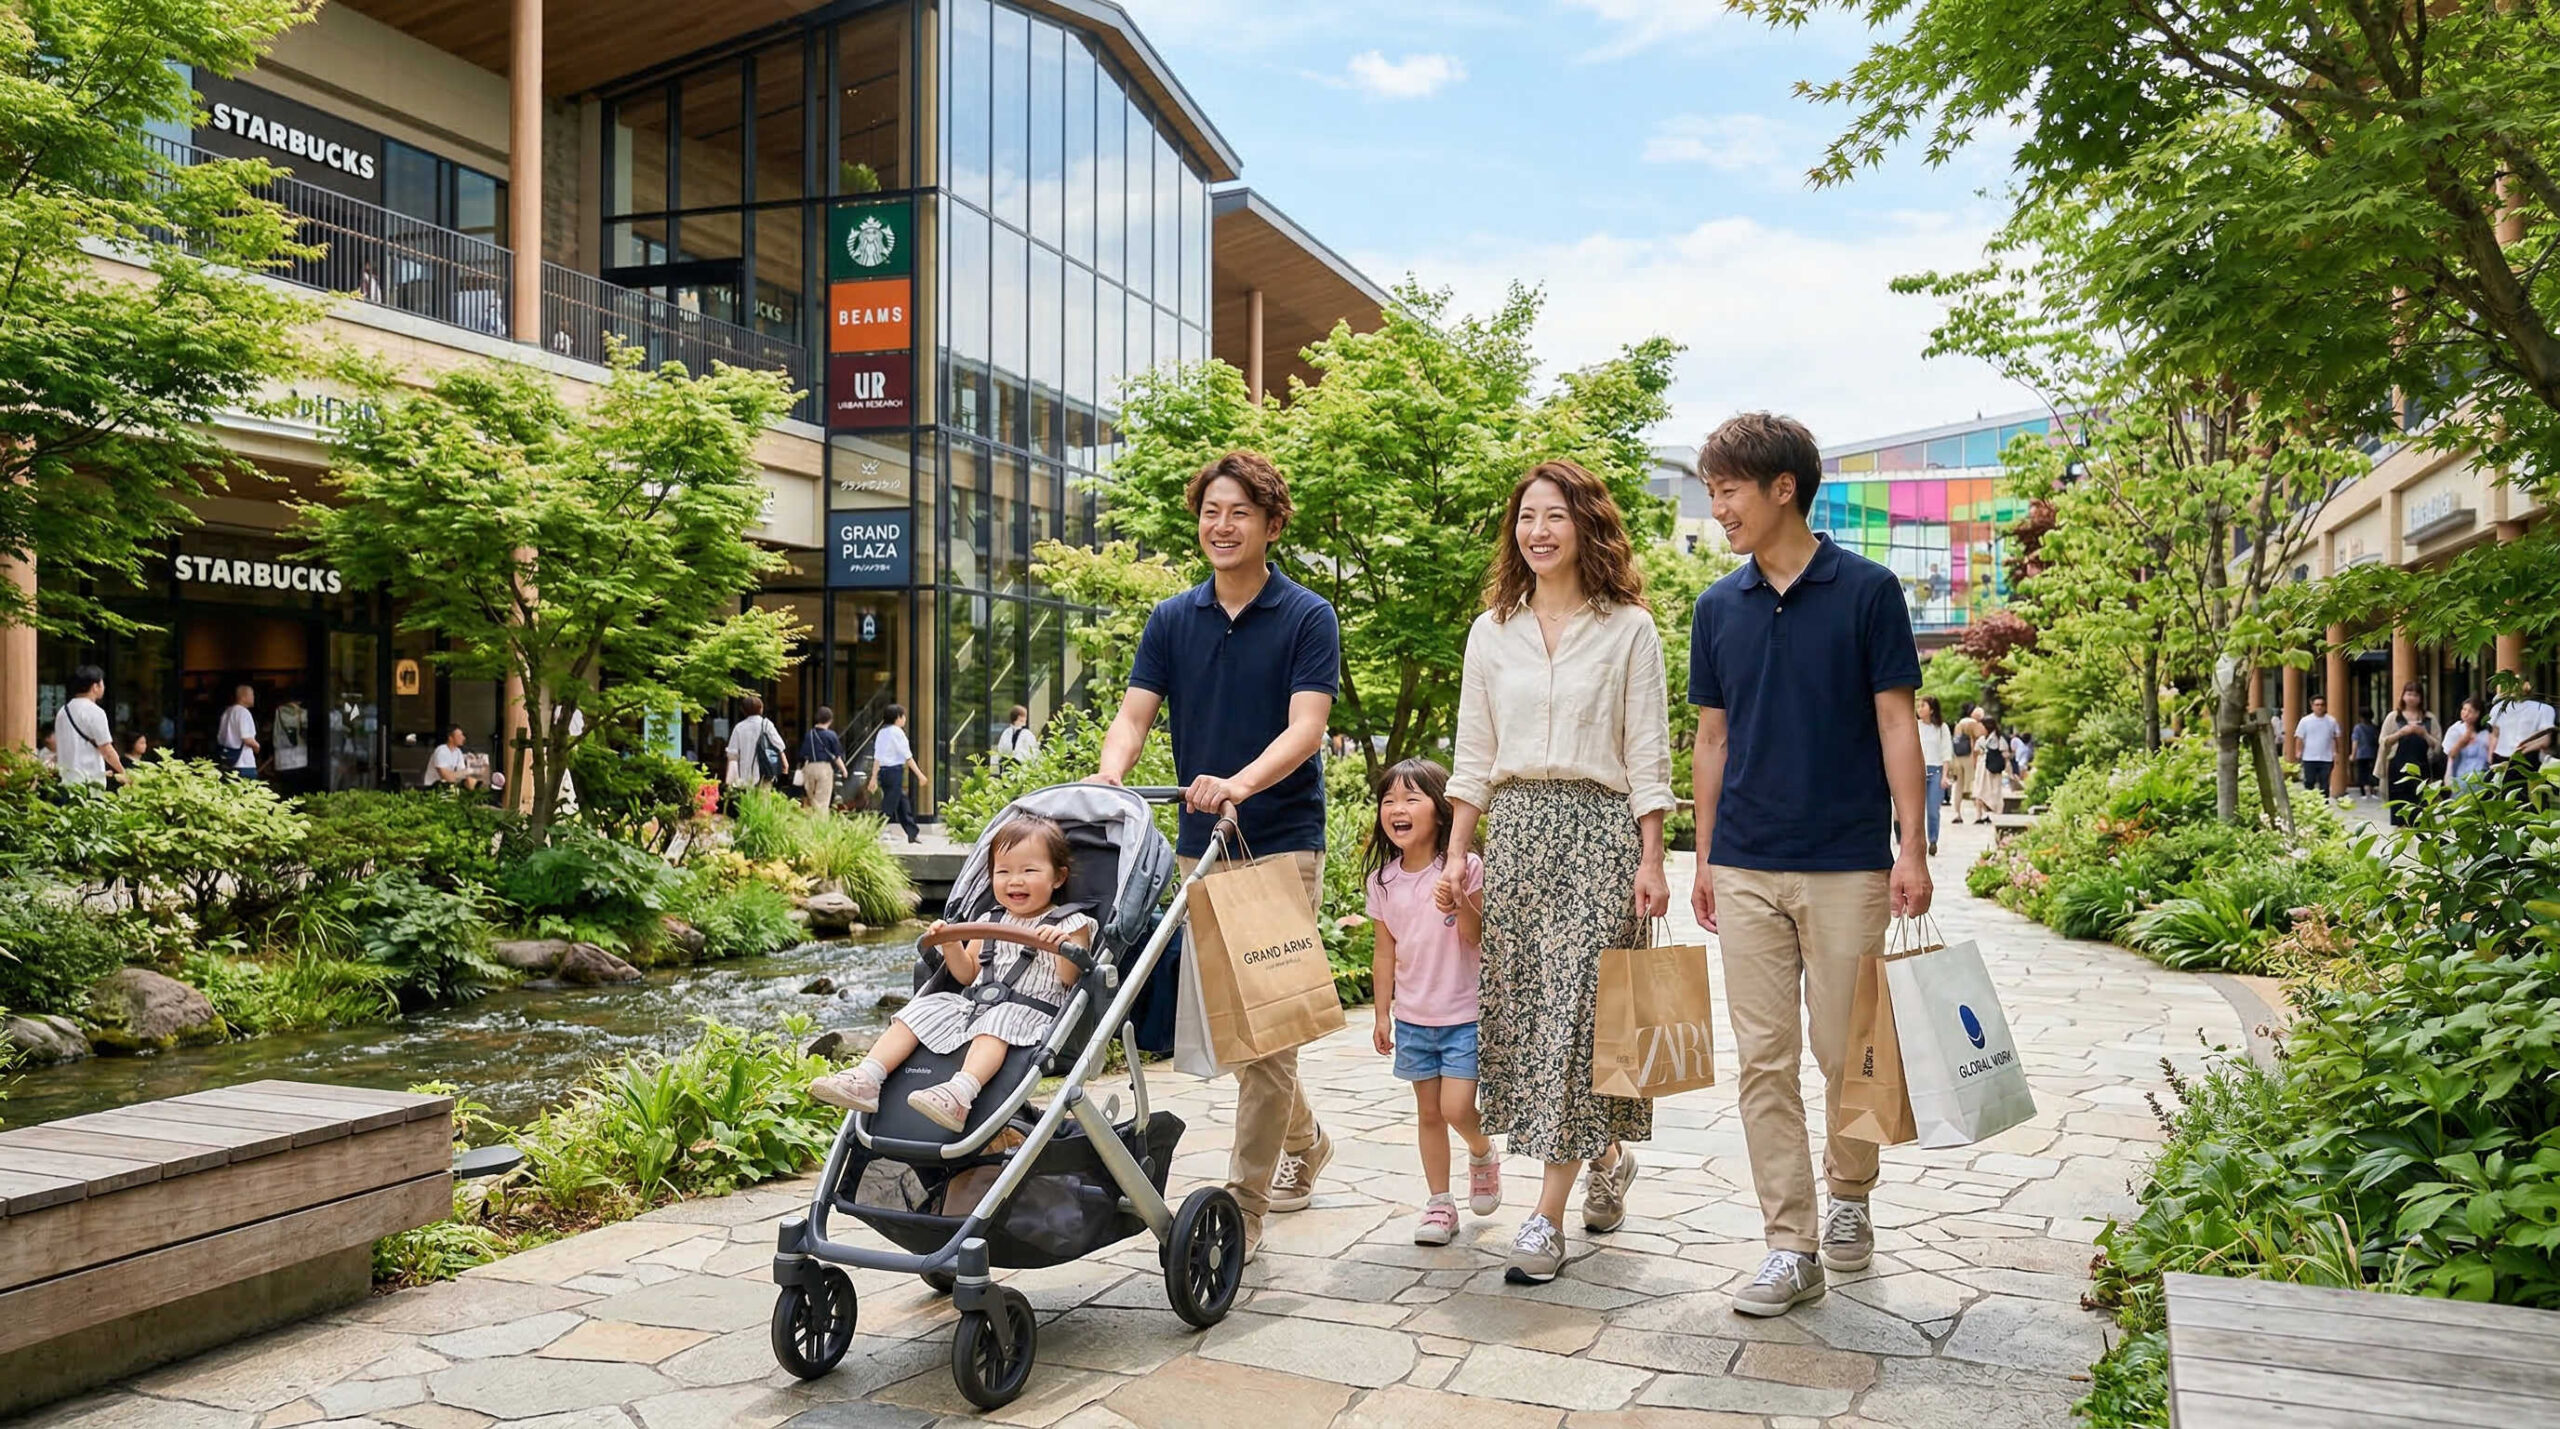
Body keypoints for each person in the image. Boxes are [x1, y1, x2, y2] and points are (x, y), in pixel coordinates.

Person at [1688, 413, 1930, 1319]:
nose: (1718, 508)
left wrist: (1912, 844)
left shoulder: (1868, 591)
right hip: (1747, 863)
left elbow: (1896, 722)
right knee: (1763, 1060)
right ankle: (1790, 1243)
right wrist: (1706, 856)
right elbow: (1710, 738)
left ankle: (1852, 1192)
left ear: (1782, 487)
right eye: (1712, 492)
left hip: (1845, 862)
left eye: (1728, 491)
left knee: (1846, 1052)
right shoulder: (1717, 606)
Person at [1095, 448, 1339, 1264]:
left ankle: (1244, 1205)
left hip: (1279, 846)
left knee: (1267, 1038)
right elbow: (1134, 715)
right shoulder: (1173, 618)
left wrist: (1238, 781)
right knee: (1243, 1040)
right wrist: (1109, 778)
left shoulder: (1307, 616)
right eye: (1210, 511)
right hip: (1202, 847)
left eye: (1239, 512)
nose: (1221, 525)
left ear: (1271, 524)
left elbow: (1306, 729)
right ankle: (1306, 1138)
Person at [1445, 458, 1674, 1286]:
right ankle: (1605, 1153)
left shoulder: (1628, 628)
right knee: (1536, 1019)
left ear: (1586, 525)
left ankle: (1544, 1217)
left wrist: (1652, 856)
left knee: (1579, 1013)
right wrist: (1455, 851)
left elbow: (1649, 749)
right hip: (1515, 838)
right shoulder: (1490, 630)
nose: (1537, 531)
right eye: (1526, 516)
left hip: (1600, 833)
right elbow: (1472, 753)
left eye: (1555, 515)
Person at [809, 816, 1092, 1130]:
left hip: (1030, 1012)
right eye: (1003, 872)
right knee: (922, 1008)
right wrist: (952, 944)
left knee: (997, 1021)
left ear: (1058, 877)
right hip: (977, 1003)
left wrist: (1063, 947)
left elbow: (1071, 979)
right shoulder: (989, 919)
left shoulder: (1071, 923)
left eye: (1029, 871)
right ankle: (867, 1077)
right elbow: (968, 975)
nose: (1015, 881)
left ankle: (960, 1093)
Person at [1365, 758, 1501, 1246]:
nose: (1397, 808)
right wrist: (1382, 1013)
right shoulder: (1382, 881)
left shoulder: (1462, 869)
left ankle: (1481, 1151)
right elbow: (1385, 952)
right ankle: (1440, 1204)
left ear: (1442, 812)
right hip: (1414, 1018)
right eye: (1388, 800)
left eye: (1411, 798)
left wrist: (1458, 897)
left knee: (1457, 1107)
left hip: (1463, 1014)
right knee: (1427, 1114)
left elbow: (1475, 936)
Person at [2377, 683, 2440, 826]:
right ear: (2403, 696)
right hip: (2398, 769)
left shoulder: (2429, 718)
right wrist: (2400, 733)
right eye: (2409, 694)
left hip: (2422, 769)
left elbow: (2437, 746)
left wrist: (2424, 734)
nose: (2412, 698)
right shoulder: (2393, 717)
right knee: (2400, 811)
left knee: (2421, 810)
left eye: (2415, 695)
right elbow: (2383, 741)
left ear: (2421, 698)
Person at [53, 666, 124, 788]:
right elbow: (106, 749)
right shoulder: (95, 712)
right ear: (95, 687)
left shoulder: (63, 711)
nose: (104, 687)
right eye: (102, 683)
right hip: (89, 783)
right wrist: (123, 772)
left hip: (65, 781)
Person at [871, 704, 924, 842]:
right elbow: (908, 756)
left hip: (884, 772)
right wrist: (920, 775)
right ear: (898, 718)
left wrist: (873, 777)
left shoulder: (881, 732)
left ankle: (912, 833)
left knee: (902, 802)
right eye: (903, 716)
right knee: (890, 803)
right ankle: (877, 829)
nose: (905, 719)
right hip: (894, 771)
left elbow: (877, 756)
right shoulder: (897, 732)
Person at [725, 695, 788, 801]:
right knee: (763, 802)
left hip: (744, 774)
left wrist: (730, 776)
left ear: (744, 711)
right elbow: (779, 745)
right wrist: (785, 764)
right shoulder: (766, 724)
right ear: (761, 709)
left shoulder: (739, 727)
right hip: (765, 770)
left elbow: (732, 754)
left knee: (746, 803)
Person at [1914, 696, 1952, 856]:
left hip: (1936, 771)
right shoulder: (1915, 726)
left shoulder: (1941, 728)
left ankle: (1933, 840)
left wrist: (1945, 775)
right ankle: (1916, 843)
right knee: (1915, 811)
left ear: (1932, 709)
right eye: (1919, 706)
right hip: (1917, 771)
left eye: (1923, 705)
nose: (1920, 708)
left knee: (1933, 810)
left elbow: (1946, 751)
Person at [2489, 687, 2556, 775]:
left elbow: (2495, 736)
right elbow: (2545, 740)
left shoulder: (2498, 708)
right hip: (2523, 759)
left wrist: (2490, 757)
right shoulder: (2544, 708)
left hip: (2516, 759)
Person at [800, 707, 847, 815]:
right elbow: (836, 756)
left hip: (809, 768)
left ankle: (808, 826)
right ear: (830, 720)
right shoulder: (831, 735)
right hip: (824, 768)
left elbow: (803, 754)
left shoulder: (809, 735)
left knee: (811, 801)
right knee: (822, 802)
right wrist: (843, 770)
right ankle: (819, 828)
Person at [2293, 695, 2341, 796]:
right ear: (2312, 706)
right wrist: (2298, 752)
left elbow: (2336, 738)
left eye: (2322, 705)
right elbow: (2299, 737)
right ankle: (2309, 802)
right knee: (2309, 781)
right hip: (2309, 757)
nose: (2319, 707)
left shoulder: (2331, 721)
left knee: (2324, 783)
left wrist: (2336, 753)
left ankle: (2324, 803)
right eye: (2317, 705)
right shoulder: (2305, 721)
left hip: (2326, 758)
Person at [2445, 697, 2495, 790]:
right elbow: (2450, 754)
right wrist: (2462, 741)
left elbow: (2490, 757)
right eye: (2464, 709)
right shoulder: (2455, 729)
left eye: (2470, 711)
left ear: (2478, 714)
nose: (2465, 713)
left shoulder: (2486, 732)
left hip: (2481, 775)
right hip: (2460, 774)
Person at [217, 685, 261, 779]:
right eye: (252, 695)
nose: (253, 697)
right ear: (243, 697)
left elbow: (220, 738)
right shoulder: (243, 712)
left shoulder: (227, 712)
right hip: (244, 763)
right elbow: (247, 739)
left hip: (228, 761)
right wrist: (257, 747)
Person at [1949, 707, 1984, 822]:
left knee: (1958, 785)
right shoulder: (1973, 724)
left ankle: (1957, 813)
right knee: (1974, 784)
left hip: (1958, 757)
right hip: (1969, 757)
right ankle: (1979, 814)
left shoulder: (1959, 724)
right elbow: (1979, 739)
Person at [423, 725, 484, 790]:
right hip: (434, 787)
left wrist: (474, 766)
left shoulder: (458, 752)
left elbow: (462, 773)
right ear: (450, 738)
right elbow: (447, 777)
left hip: (447, 786)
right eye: (459, 736)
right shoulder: (441, 751)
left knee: (471, 779)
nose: (463, 738)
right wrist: (466, 772)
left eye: (462, 735)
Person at [1972, 712, 2007, 822]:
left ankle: (1988, 814)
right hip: (1982, 768)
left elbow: (2005, 754)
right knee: (1979, 791)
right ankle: (1979, 815)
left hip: (1992, 770)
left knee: (1992, 791)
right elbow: (1975, 751)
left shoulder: (1998, 739)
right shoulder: (1982, 739)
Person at [992, 705, 1039, 770]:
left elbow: (1033, 753)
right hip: (1008, 768)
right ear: (1020, 717)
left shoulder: (1026, 734)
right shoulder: (1007, 733)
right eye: (1025, 716)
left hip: (1022, 770)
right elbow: (1000, 752)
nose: (1026, 719)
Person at [2350, 712, 2380, 796]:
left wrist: (2353, 754)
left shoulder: (2358, 728)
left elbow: (2355, 741)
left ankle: (2363, 792)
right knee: (2371, 772)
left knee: (2362, 773)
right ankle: (2372, 789)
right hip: (2372, 753)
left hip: (2361, 754)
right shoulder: (2374, 728)